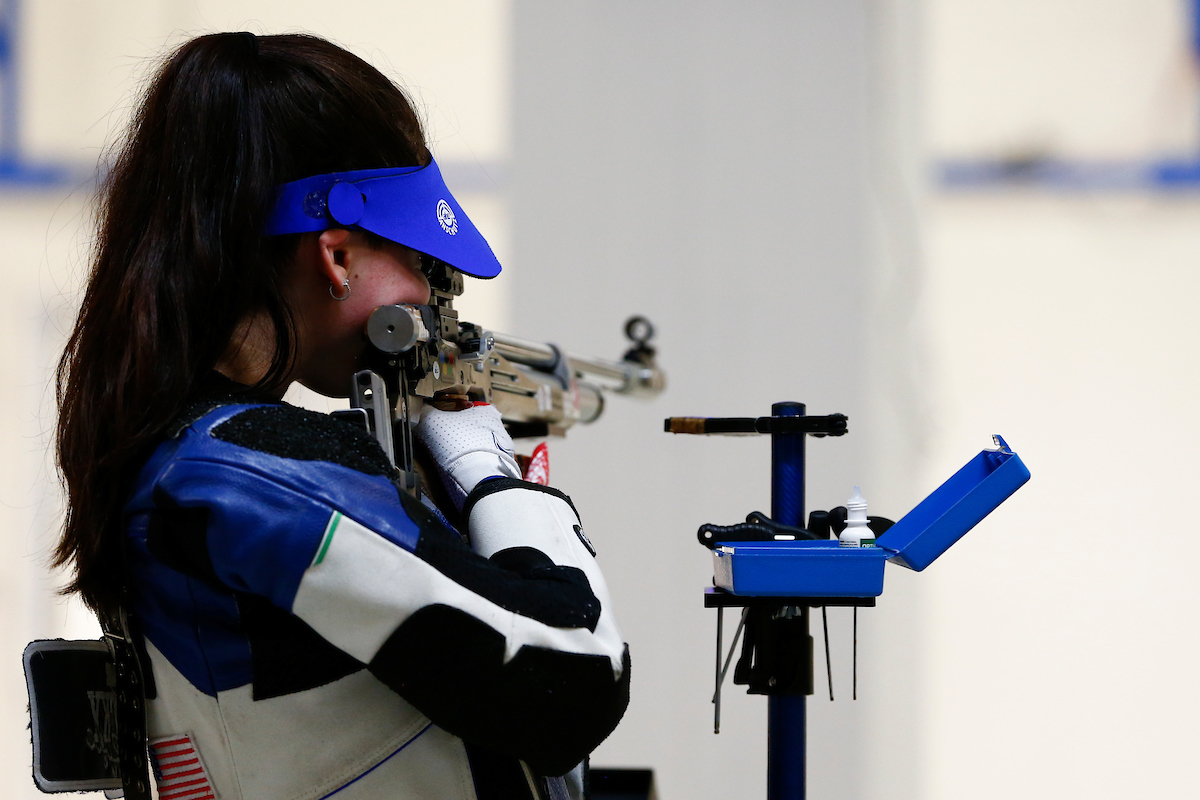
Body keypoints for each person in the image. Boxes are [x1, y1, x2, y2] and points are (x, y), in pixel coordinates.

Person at [53, 31, 629, 800]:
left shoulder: (199, 459)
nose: (429, 299)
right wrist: (493, 481)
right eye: (424, 267)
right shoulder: (253, 474)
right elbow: (574, 679)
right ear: (337, 256)